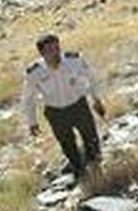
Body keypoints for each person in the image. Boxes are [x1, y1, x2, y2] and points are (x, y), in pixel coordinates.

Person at [22, 34, 105, 178]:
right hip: (56, 112)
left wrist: (96, 99)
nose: (55, 53)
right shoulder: (35, 72)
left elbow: (91, 77)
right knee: (67, 144)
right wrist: (32, 122)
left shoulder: (74, 60)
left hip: (78, 105)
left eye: (57, 48)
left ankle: (96, 167)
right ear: (42, 54)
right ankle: (80, 171)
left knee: (91, 137)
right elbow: (29, 98)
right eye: (50, 50)